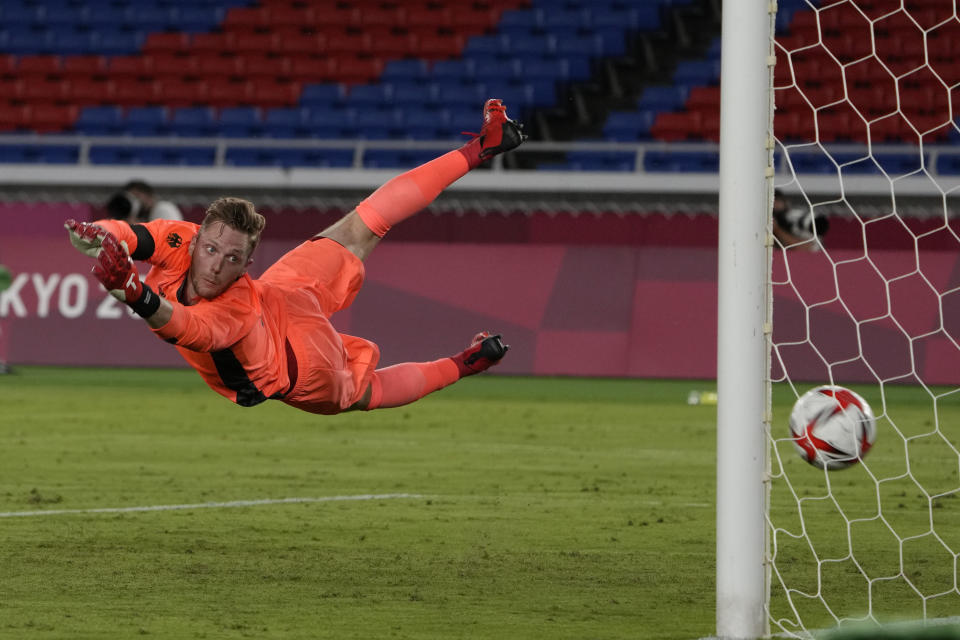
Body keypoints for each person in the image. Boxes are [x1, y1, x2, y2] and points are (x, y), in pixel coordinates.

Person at [65, 99, 525, 414]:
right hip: (283, 294)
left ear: (247, 266)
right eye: (210, 249)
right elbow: (128, 232)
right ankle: (480, 147)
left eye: (231, 258)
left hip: (300, 365)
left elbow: (188, 328)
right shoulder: (178, 238)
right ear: (195, 238)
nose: (217, 264)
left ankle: (466, 364)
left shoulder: (234, 305)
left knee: (369, 390)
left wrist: (134, 293)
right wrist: (99, 235)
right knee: (361, 225)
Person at [106, 179, 183, 223]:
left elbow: (167, 240)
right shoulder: (141, 217)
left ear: (149, 196)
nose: (134, 201)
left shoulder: (164, 208)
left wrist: (135, 227)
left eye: (137, 196)